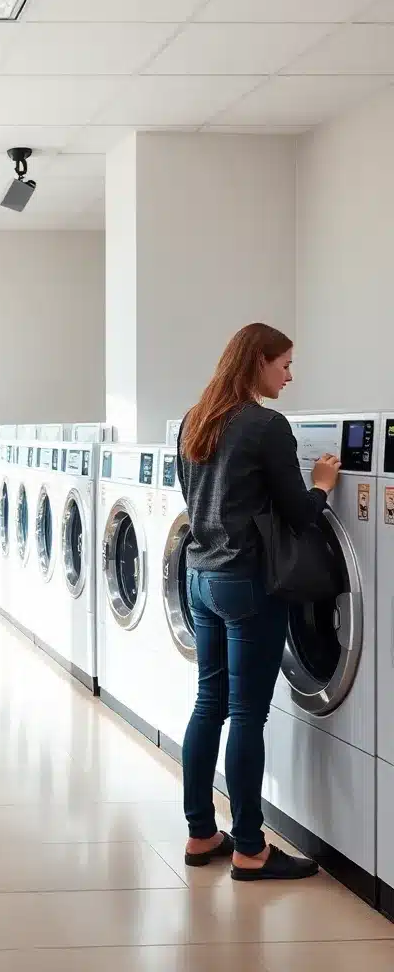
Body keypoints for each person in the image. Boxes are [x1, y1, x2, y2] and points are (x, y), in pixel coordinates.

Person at [177, 323, 340, 882]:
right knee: (247, 714)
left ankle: (202, 833)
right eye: (285, 364)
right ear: (258, 363)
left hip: (201, 577)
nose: (290, 376)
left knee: (209, 705)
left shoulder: (196, 418)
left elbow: (193, 500)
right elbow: (299, 515)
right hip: (247, 584)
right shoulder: (267, 426)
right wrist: (322, 484)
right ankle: (250, 848)